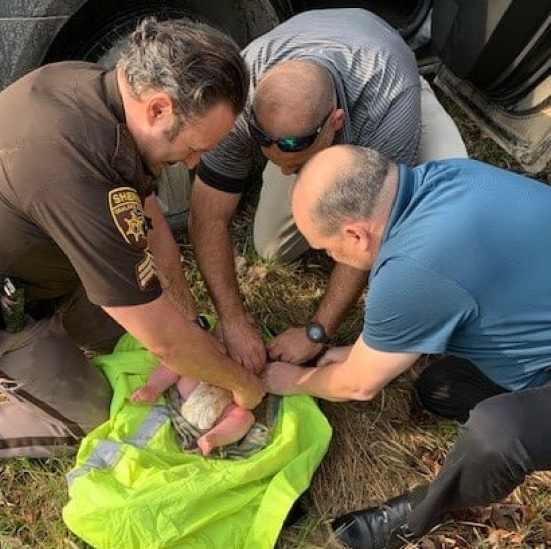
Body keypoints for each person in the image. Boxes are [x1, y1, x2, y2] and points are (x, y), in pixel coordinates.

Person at [0, 18, 265, 477]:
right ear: (158, 108)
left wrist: (188, 321)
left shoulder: (107, 93)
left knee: (165, 345)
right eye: (195, 147)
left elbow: (150, 221)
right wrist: (241, 386)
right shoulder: (76, 169)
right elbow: (163, 337)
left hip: (52, 265)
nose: (194, 163)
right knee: (88, 420)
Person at [263, 145, 551, 548]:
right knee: (439, 389)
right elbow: (450, 287)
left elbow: (357, 386)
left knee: (496, 433)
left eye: (327, 249)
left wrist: (294, 380)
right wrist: (357, 353)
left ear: (355, 234)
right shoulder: (448, 176)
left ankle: (424, 511)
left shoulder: (411, 271)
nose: (330, 257)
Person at [189, 8, 468, 374]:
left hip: (393, 88)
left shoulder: (387, 103)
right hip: (324, 91)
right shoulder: (243, 92)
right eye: (276, 162)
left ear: (334, 124)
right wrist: (232, 318)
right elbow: (207, 215)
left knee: (448, 219)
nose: (288, 172)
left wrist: (316, 332)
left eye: (296, 164)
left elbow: (366, 234)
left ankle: (425, 99)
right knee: (272, 247)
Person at [131, 363, 255, 456]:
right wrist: (153, 386)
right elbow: (172, 361)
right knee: (177, 363)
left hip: (226, 403)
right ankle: (153, 388)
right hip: (194, 391)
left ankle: (214, 437)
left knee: (244, 417)